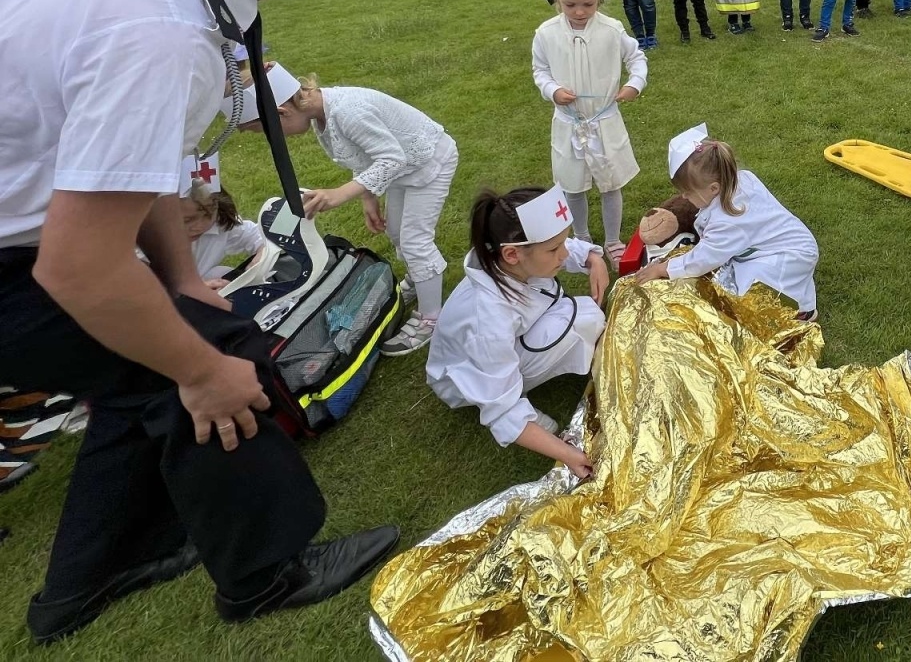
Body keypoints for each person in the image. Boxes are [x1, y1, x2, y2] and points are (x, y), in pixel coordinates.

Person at [0, 0, 397, 642]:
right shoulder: (166, 33)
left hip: (32, 232)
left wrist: (182, 277)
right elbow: (78, 265)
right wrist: (202, 367)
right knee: (217, 364)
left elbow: (124, 169)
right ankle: (263, 572)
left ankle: (96, 570)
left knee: (150, 365)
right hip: (28, 256)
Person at [267, 72, 458, 356]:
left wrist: (340, 193)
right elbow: (363, 154)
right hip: (404, 170)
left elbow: (393, 158)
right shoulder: (321, 114)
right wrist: (368, 197)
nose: (279, 138)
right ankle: (421, 279)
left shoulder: (348, 112)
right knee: (396, 233)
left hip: (430, 163)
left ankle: (432, 317)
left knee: (416, 241)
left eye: (271, 130)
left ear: (282, 113)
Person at [425, 185, 607, 475]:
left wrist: (592, 259)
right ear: (512, 255)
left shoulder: (509, 258)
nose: (563, 254)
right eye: (553, 249)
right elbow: (502, 410)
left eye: (562, 244)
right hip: (467, 380)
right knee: (582, 318)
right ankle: (534, 416)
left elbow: (561, 246)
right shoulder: (490, 319)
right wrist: (568, 454)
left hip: (487, 351)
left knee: (584, 316)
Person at [533, 0, 645, 262]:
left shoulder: (612, 30)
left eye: (588, 4)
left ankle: (612, 240)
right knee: (573, 185)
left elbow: (636, 59)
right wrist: (552, 90)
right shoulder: (545, 34)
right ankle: (581, 237)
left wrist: (634, 83)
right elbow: (540, 70)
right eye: (570, 5)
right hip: (568, 124)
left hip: (604, 121)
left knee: (610, 184)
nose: (579, 12)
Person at [636, 125, 820, 318]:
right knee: (744, 276)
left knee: (751, 292)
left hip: (789, 254)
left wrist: (662, 269)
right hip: (783, 245)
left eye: (688, 192)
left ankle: (802, 312)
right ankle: (800, 291)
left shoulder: (728, 221)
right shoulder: (742, 178)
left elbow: (701, 260)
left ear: (714, 189)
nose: (683, 196)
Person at [176, 161, 264, 286]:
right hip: (161, 299)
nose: (200, 225)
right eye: (187, 220)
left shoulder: (218, 223)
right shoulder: (147, 242)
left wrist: (262, 253)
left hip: (201, 286)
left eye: (209, 214)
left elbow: (254, 234)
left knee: (222, 274)